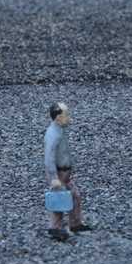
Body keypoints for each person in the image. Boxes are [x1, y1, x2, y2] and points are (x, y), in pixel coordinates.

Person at [44, 101, 88, 241]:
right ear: (58, 117)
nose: (69, 118)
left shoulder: (60, 130)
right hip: (59, 173)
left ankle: (75, 223)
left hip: (65, 173)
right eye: (66, 115)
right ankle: (55, 228)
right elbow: (49, 157)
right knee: (59, 200)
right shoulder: (53, 134)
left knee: (75, 196)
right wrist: (53, 177)